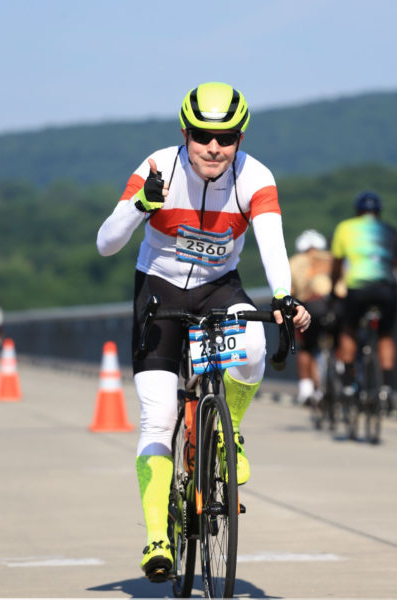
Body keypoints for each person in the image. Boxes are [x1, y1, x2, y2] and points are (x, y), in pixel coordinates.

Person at [96, 82, 310, 581]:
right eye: (202, 135)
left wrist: (283, 297)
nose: (214, 147)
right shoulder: (158, 168)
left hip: (219, 288)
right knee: (158, 413)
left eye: (226, 137)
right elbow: (107, 242)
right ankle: (155, 537)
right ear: (185, 132)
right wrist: (139, 206)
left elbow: (273, 242)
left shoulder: (254, 177)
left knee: (254, 342)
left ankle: (228, 430)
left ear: (239, 138)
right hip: (160, 287)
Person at [330, 190, 397, 408]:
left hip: (358, 289)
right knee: (385, 334)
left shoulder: (345, 227)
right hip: (386, 289)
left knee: (349, 329)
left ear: (357, 211)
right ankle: (386, 388)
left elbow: (337, 264)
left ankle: (351, 385)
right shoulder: (390, 230)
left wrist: (334, 289)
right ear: (378, 212)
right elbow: (396, 265)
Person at [289, 229, 345, 405]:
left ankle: (306, 390)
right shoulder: (331, 258)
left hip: (313, 305)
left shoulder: (295, 262)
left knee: (306, 346)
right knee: (343, 338)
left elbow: (290, 293)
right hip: (337, 305)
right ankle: (341, 371)